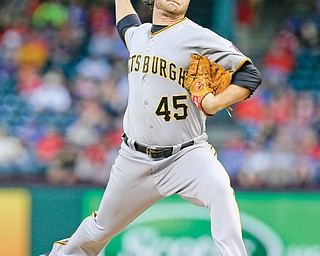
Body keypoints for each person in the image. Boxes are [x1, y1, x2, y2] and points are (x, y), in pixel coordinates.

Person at [42, 0, 261, 255]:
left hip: (186, 155)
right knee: (100, 228)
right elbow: (125, 23)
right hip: (133, 158)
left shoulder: (199, 37)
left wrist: (214, 103)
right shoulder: (138, 35)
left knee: (220, 190)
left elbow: (249, 74)